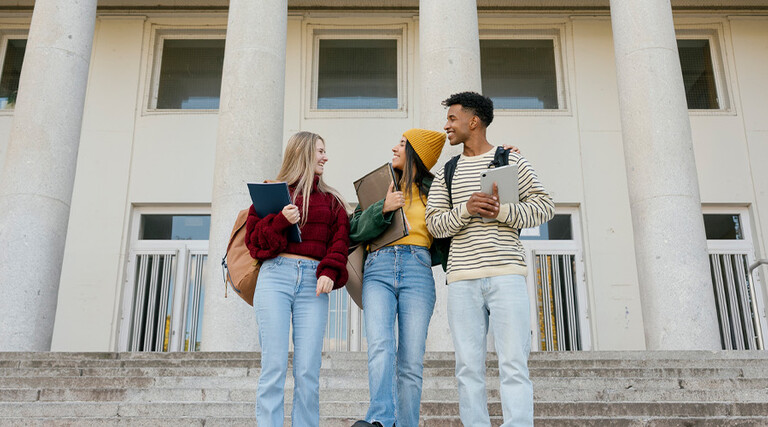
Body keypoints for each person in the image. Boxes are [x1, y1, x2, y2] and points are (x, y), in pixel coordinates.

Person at [426, 92, 555, 427]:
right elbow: (434, 223)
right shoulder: (447, 172)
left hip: (506, 274)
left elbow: (544, 207)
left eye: (452, 119)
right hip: (462, 279)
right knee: (468, 368)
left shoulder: (511, 161)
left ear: (474, 121)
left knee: (514, 363)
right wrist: (466, 210)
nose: (447, 126)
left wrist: (503, 210)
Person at [244, 131, 351, 427]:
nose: (325, 157)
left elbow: (340, 243)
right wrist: (281, 220)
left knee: (307, 370)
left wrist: (330, 271)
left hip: (312, 284)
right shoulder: (272, 195)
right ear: (303, 153)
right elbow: (254, 243)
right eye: (320, 151)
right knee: (274, 366)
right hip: (275, 277)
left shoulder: (333, 202)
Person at [349, 128, 447, 427]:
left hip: (417, 268)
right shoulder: (379, 185)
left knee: (411, 360)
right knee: (380, 346)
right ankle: (380, 419)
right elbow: (353, 230)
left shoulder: (437, 190)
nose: (394, 148)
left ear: (416, 153)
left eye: (402, 144)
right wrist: (383, 208)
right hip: (378, 266)